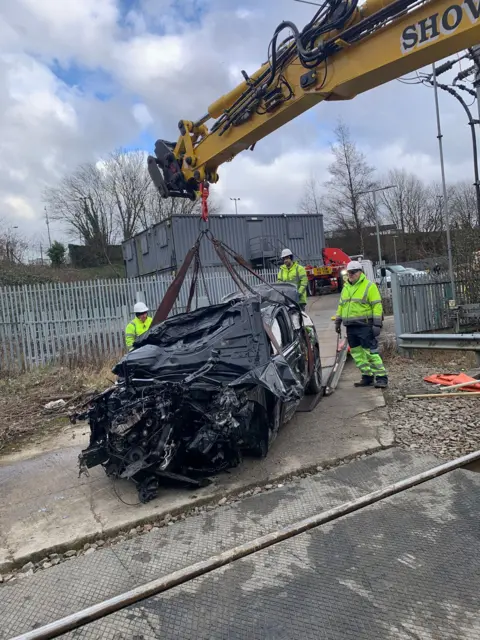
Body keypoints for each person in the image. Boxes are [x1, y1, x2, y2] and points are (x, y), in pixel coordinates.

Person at [334, 260, 388, 389]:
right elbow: (341, 306)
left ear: (360, 272)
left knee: (370, 353)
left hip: (365, 326)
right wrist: (338, 320)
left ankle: (381, 377)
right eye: (349, 272)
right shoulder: (346, 288)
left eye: (353, 272)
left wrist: (377, 324)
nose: (351, 275)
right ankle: (367, 376)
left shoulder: (369, 286)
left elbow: (377, 305)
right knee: (357, 354)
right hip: (351, 327)